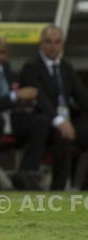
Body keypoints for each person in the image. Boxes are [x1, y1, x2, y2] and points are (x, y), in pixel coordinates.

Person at [0, 36, 49, 190]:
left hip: (12, 115)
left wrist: (25, 99)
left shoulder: (6, 67)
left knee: (41, 121)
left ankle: (27, 171)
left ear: (6, 53)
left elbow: (12, 95)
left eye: (2, 52)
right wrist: (16, 96)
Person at [20, 25, 88, 190]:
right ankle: (58, 189)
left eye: (57, 42)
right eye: (49, 41)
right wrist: (59, 121)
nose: (53, 46)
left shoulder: (66, 67)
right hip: (42, 121)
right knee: (62, 137)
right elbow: (40, 99)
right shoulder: (31, 67)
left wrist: (65, 122)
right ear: (41, 44)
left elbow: (81, 96)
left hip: (66, 121)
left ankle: (84, 189)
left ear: (62, 44)